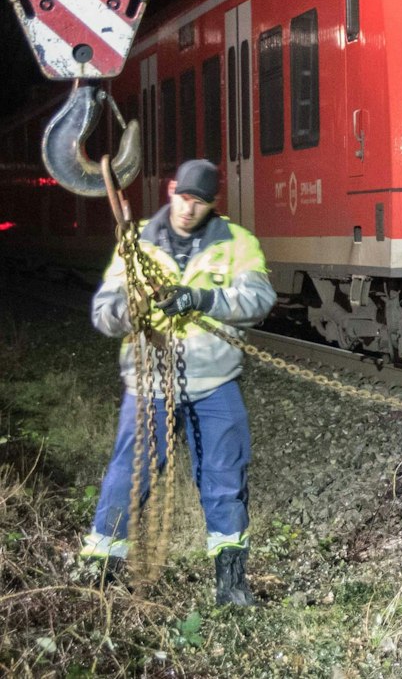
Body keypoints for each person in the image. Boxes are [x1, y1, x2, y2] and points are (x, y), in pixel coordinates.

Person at [78, 159, 275, 607]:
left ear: (213, 204)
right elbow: (103, 312)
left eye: (200, 202)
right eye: (184, 197)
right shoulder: (137, 243)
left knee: (226, 478)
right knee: (129, 477)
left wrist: (203, 297)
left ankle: (231, 584)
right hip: (149, 384)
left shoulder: (237, 243)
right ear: (171, 190)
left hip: (215, 382)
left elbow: (260, 298)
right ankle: (97, 576)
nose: (189, 208)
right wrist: (134, 309)